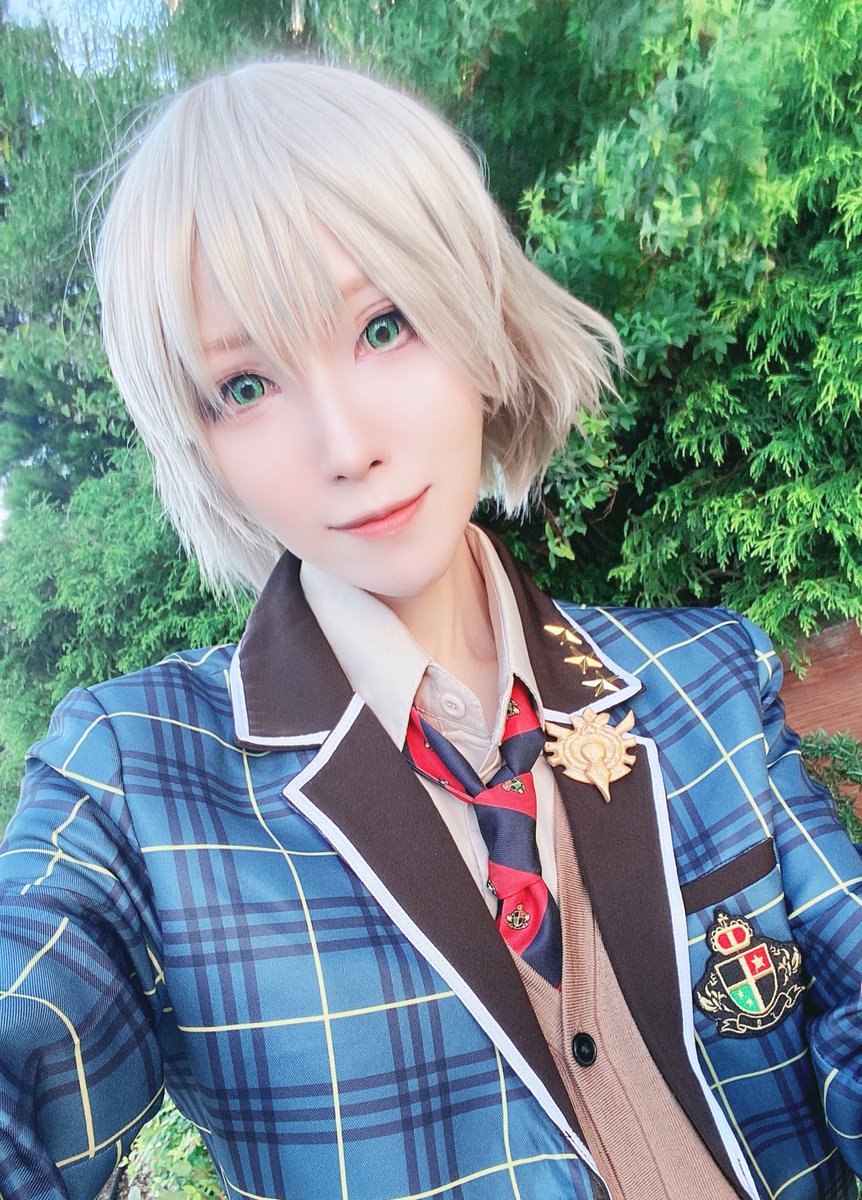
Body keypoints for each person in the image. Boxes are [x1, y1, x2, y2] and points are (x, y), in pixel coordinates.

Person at [0, 58, 859, 1200]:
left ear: (478, 318)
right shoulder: (136, 783)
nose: (346, 445)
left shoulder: (705, 675)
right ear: (197, 441)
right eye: (245, 387)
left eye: (384, 324)